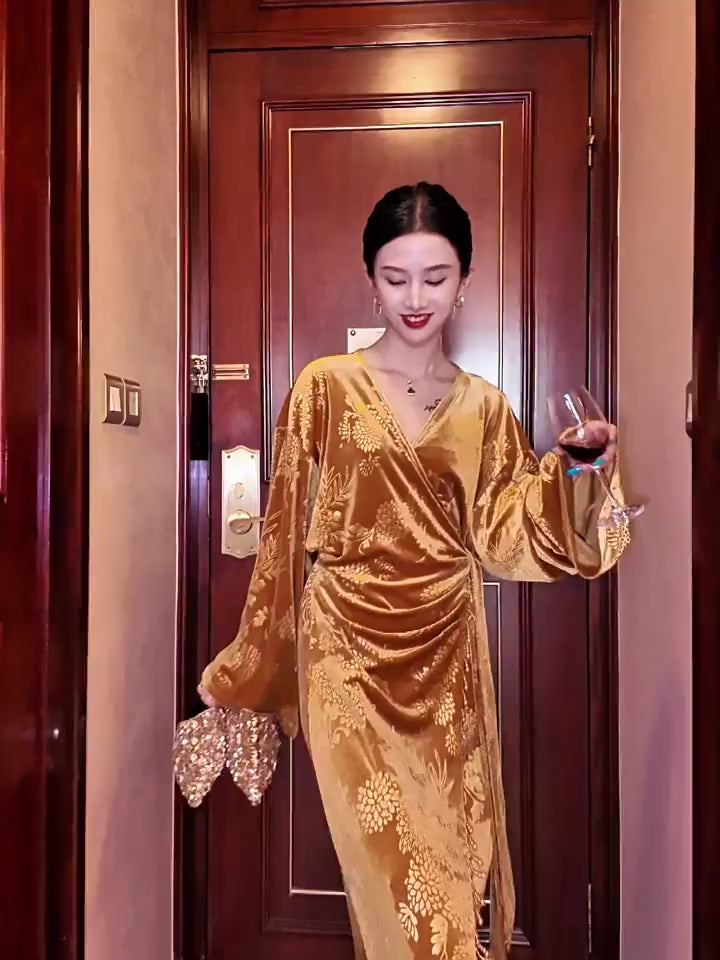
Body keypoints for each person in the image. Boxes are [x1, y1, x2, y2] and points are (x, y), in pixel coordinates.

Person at [197, 182, 629, 960]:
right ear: (371, 279)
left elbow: (510, 534)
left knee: (449, 892)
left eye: (435, 277)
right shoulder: (324, 387)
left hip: (445, 666)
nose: (416, 298)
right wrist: (254, 669)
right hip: (346, 666)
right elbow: (283, 534)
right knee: (397, 889)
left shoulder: (485, 408)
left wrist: (579, 468)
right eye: (396, 278)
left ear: (465, 281)